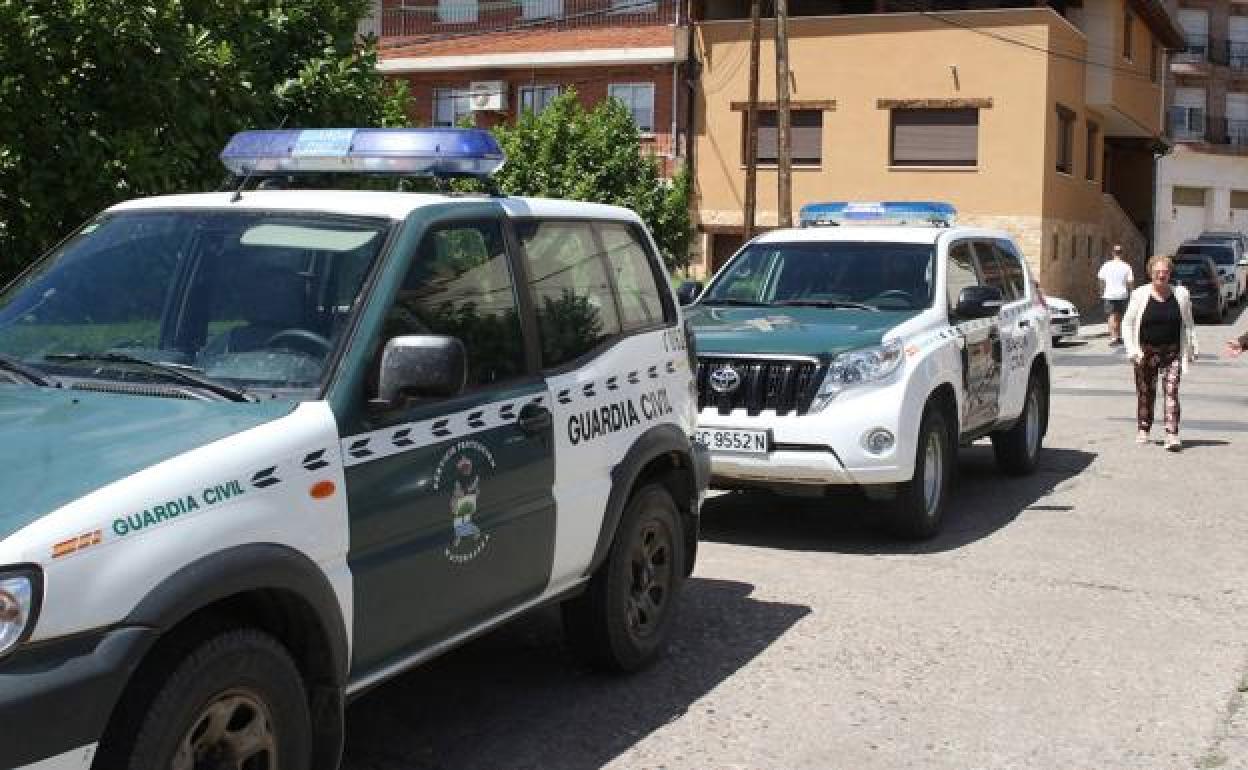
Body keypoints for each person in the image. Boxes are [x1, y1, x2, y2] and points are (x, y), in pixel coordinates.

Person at [1122, 255, 1198, 452]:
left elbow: (1188, 323)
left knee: (1171, 392)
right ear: (1151, 273)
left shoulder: (1181, 295)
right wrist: (1131, 349)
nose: (1161, 275)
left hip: (1172, 352)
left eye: (1165, 272)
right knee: (1146, 392)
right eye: (1157, 272)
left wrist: (1192, 347)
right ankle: (1144, 428)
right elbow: (1127, 323)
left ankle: (1172, 434)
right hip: (1145, 352)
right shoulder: (1139, 294)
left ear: (1170, 274)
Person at [1098, 243, 1135, 346]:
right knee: (1119, 316)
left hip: (1109, 294)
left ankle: (1113, 337)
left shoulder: (1106, 265)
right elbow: (1130, 282)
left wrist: (1101, 291)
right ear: (1122, 253)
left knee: (1111, 315)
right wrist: (1132, 293)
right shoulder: (1126, 266)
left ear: (1112, 253)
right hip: (1122, 294)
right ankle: (1118, 336)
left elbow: (1101, 279)